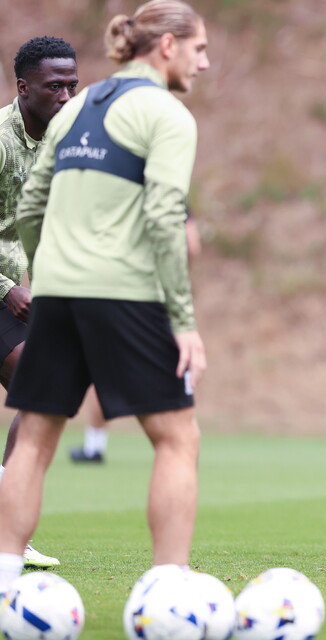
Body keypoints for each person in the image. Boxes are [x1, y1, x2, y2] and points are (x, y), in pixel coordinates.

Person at [0, 0, 209, 592]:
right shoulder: (167, 116)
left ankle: (4, 578)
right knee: (176, 438)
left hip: (59, 292)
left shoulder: (76, 108)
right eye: (198, 49)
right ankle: (168, 591)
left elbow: (32, 208)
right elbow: (168, 216)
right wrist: (183, 319)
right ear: (166, 47)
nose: (205, 61)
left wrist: (51, 271)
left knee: (35, 440)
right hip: (123, 293)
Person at [0, 36, 80, 569]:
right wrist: (9, 289)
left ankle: (7, 524)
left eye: (73, 85)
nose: (67, 96)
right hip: (4, 289)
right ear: (23, 87)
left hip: (12, 286)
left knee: (41, 389)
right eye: (55, 86)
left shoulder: (62, 139)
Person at [69, 215, 202, 464]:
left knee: (103, 372)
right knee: (171, 370)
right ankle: (179, 441)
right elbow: (191, 244)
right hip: (159, 299)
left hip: (123, 296)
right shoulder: (169, 193)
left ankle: (94, 446)